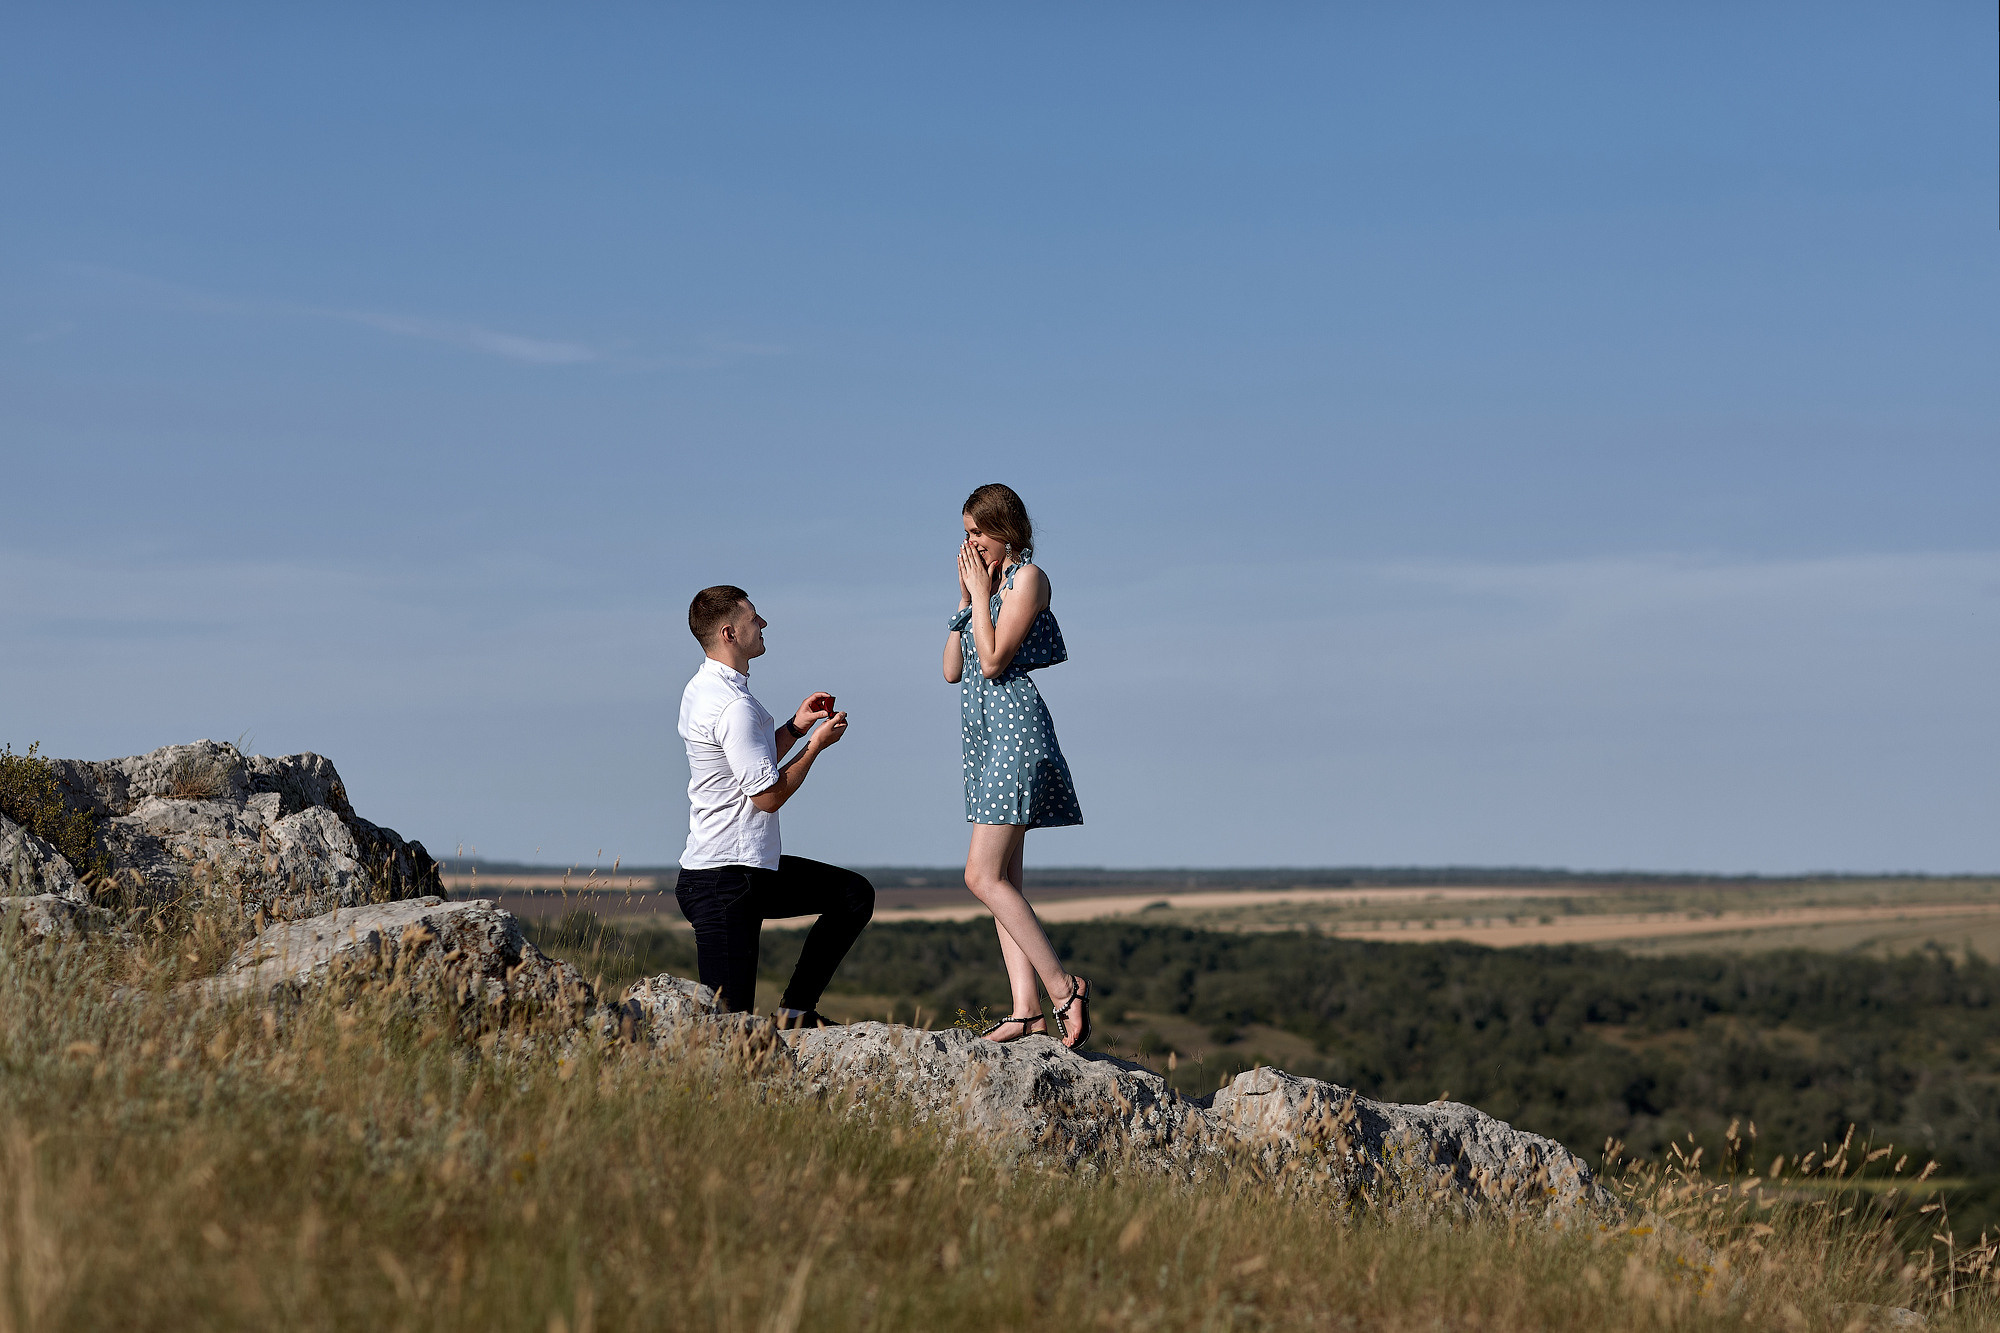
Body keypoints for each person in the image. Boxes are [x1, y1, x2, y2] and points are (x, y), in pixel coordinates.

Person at [675, 585, 874, 1027]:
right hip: (723, 883)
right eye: (753, 618)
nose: (762, 624)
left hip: (745, 870)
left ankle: (795, 1012)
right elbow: (766, 796)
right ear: (729, 633)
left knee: (853, 895)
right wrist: (816, 747)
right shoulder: (732, 706)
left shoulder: (705, 687)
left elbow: (747, 759)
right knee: (729, 1029)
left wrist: (796, 727)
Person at [943, 484, 1092, 1048]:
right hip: (983, 738)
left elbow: (996, 657)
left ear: (1006, 531)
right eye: (965, 533)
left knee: (979, 876)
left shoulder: (1027, 579)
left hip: (1013, 734)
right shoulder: (987, 588)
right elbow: (953, 670)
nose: (970, 543)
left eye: (977, 532)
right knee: (1004, 879)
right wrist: (965, 601)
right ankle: (1025, 1009)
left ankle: (1064, 989)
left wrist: (982, 599)